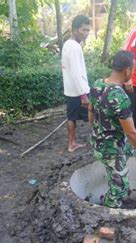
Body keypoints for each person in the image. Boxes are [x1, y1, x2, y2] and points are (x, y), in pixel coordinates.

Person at [88, 51, 136, 208]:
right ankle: (108, 210)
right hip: (110, 149)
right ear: (127, 70)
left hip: (96, 141)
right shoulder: (120, 97)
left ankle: (116, 170)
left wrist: (97, 131)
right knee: (121, 187)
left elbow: (90, 110)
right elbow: (131, 133)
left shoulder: (97, 84)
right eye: (133, 69)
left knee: (128, 149)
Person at [61, 15, 91, 152]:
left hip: (70, 90)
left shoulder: (68, 44)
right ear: (74, 29)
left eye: (88, 31)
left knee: (71, 117)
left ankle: (72, 143)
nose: (86, 34)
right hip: (79, 91)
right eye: (83, 30)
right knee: (93, 115)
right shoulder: (74, 47)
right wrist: (83, 95)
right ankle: (99, 141)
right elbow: (76, 73)